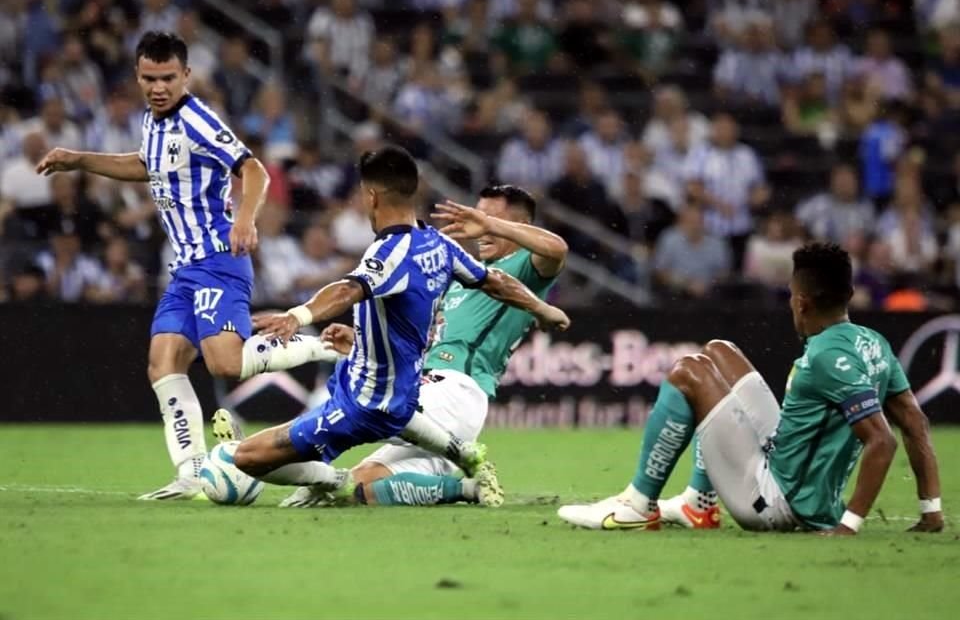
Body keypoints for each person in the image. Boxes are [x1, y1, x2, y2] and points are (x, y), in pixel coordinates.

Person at [35, 31, 338, 500]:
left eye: (168, 78)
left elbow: (252, 168)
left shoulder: (198, 119)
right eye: (150, 78)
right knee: (163, 363)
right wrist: (79, 161)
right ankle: (192, 472)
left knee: (225, 365)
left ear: (187, 76)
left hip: (219, 260)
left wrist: (244, 219)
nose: (158, 87)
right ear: (138, 76)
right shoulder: (153, 121)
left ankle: (320, 348)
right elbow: (146, 165)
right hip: (185, 269)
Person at [230, 147, 571, 505]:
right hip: (428, 388)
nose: (479, 227)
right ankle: (467, 480)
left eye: (490, 221)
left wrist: (539, 303)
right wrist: (367, 341)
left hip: (453, 391)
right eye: (478, 215)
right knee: (360, 489)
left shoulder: (524, 266)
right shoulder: (452, 260)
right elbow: (416, 327)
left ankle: (264, 455)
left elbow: (557, 250)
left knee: (366, 408)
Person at [558, 243, 943, 534]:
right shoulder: (873, 341)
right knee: (719, 351)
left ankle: (637, 506)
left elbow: (883, 440)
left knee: (688, 372)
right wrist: (932, 510)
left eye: (792, 297)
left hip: (778, 501)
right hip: (792, 469)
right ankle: (699, 503)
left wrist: (849, 525)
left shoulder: (825, 356)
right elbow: (914, 422)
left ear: (803, 303)